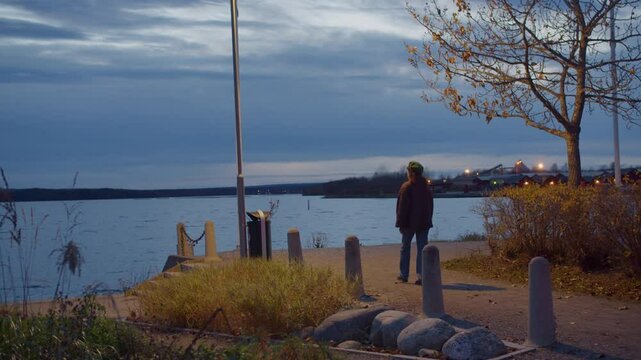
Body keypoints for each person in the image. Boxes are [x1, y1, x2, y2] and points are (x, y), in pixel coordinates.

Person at [395, 161, 434, 285]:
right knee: (422, 249)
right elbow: (430, 206)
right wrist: (428, 219)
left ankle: (404, 275)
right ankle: (422, 276)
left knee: (405, 248)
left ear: (411, 172)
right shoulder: (426, 187)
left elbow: (402, 208)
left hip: (408, 223)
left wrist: (400, 224)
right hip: (424, 222)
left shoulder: (406, 187)